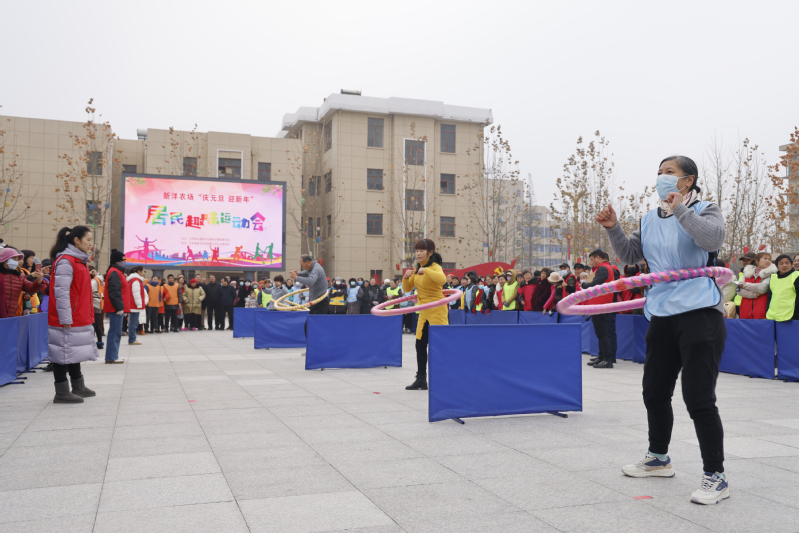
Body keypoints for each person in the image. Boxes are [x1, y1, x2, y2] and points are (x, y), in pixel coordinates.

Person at [597, 155, 729, 504]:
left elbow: (712, 239)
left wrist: (680, 209)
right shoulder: (648, 218)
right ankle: (658, 458)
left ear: (688, 180)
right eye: (659, 173)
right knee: (654, 392)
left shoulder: (705, 209)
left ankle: (716, 476)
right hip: (662, 312)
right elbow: (630, 256)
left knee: (699, 398)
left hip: (699, 311)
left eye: (669, 172)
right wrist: (613, 228)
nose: (661, 178)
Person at [47, 226, 97, 403]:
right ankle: (61, 392)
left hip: (77, 316)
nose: (90, 243)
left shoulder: (78, 260)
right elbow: (61, 292)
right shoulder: (66, 261)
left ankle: (78, 386)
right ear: (76, 240)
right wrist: (65, 317)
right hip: (67, 318)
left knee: (73, 351)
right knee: (61, 354)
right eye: (88, 239)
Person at [403, 239, 448, 391]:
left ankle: (443, 377)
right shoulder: (417, 268)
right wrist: (406, 277)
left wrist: (427, 270)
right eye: (417, 250)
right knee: (420, 345)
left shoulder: (435, 267)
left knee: (439, 345)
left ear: (430, 253)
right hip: (423, 311)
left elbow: (442, 280)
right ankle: (421, 378)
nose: (418, 253)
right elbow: (407, 289)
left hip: (437, 310)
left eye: (422, 250)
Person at [580, 251, 617, 369]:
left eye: (592, 260)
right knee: (600, 332)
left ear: (598, 258)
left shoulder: (602, 268)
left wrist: (584, 285)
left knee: (602, 333)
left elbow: (596, 284)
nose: (591, 262)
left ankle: (607, 360)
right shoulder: (606, 267)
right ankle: (602, 357)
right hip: (601, 303)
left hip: (600, 303)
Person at [290, 255, 329, 351]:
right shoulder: (313, 267)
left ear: (308, 262)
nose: (302, 267)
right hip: (316, 302)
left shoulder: (316, 269)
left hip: (320, 302)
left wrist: (296, 277)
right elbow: (306, 273)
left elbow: (310, 281)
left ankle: (318, 348)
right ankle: (313, 346)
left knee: (315, 326)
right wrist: (299, 273)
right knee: (309, 326)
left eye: (302, 265)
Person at [0, 246, 45, 317]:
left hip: (13, 315)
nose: (16, 262)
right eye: (14, 259)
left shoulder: (19, 276)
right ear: (5, 260)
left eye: (17, 259)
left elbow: (30, 288)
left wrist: (39, 280)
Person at [102, 249, 130, 364]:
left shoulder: (117, 272)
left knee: (115, 332)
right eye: (123, 260)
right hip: (115, 308)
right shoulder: (115, 272)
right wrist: (119, 307)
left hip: (117, 307)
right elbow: (114, 291)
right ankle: (112, 357)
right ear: (117, 261)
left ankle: (112, 356)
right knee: (115, 332)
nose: (124, 262)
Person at [736, 252, 776, 320]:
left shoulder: (772, 274)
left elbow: (762, 288)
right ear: (757, 261)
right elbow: (739, 291)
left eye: (769, 259)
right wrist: (754, 295)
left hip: (761, 312)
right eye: (765, 258)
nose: (768, 261)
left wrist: (744, 285)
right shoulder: (747, 272)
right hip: (745, 311)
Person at [766, 254, 799, 322]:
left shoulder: (796, 276)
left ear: (791, 264)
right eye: (781, 263)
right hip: (772, 317)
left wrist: (795, 315)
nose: (784, 265)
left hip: (791, 318)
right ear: (777, 266)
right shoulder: (773, 278)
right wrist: (767, 311)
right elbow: (770, 297)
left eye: (787, 263)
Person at [127, 266, 148, 345]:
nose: (144, 273)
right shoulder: (136, 280)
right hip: (134, 305)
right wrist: (139, 305)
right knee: (133, 323)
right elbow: (136, 294)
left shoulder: (134, 280)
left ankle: (132, 338)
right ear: (139, 271)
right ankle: (132, 339)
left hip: (133, 304)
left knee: (133, 322)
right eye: (143, 271)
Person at [90, 266, 105, 348]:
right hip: (98, 302)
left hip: (94, 302)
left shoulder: (93, 280)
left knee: (93, 324)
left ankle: (92, 343)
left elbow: (90, 289)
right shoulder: (98, 279)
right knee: (97, 324)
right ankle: (99, 342)